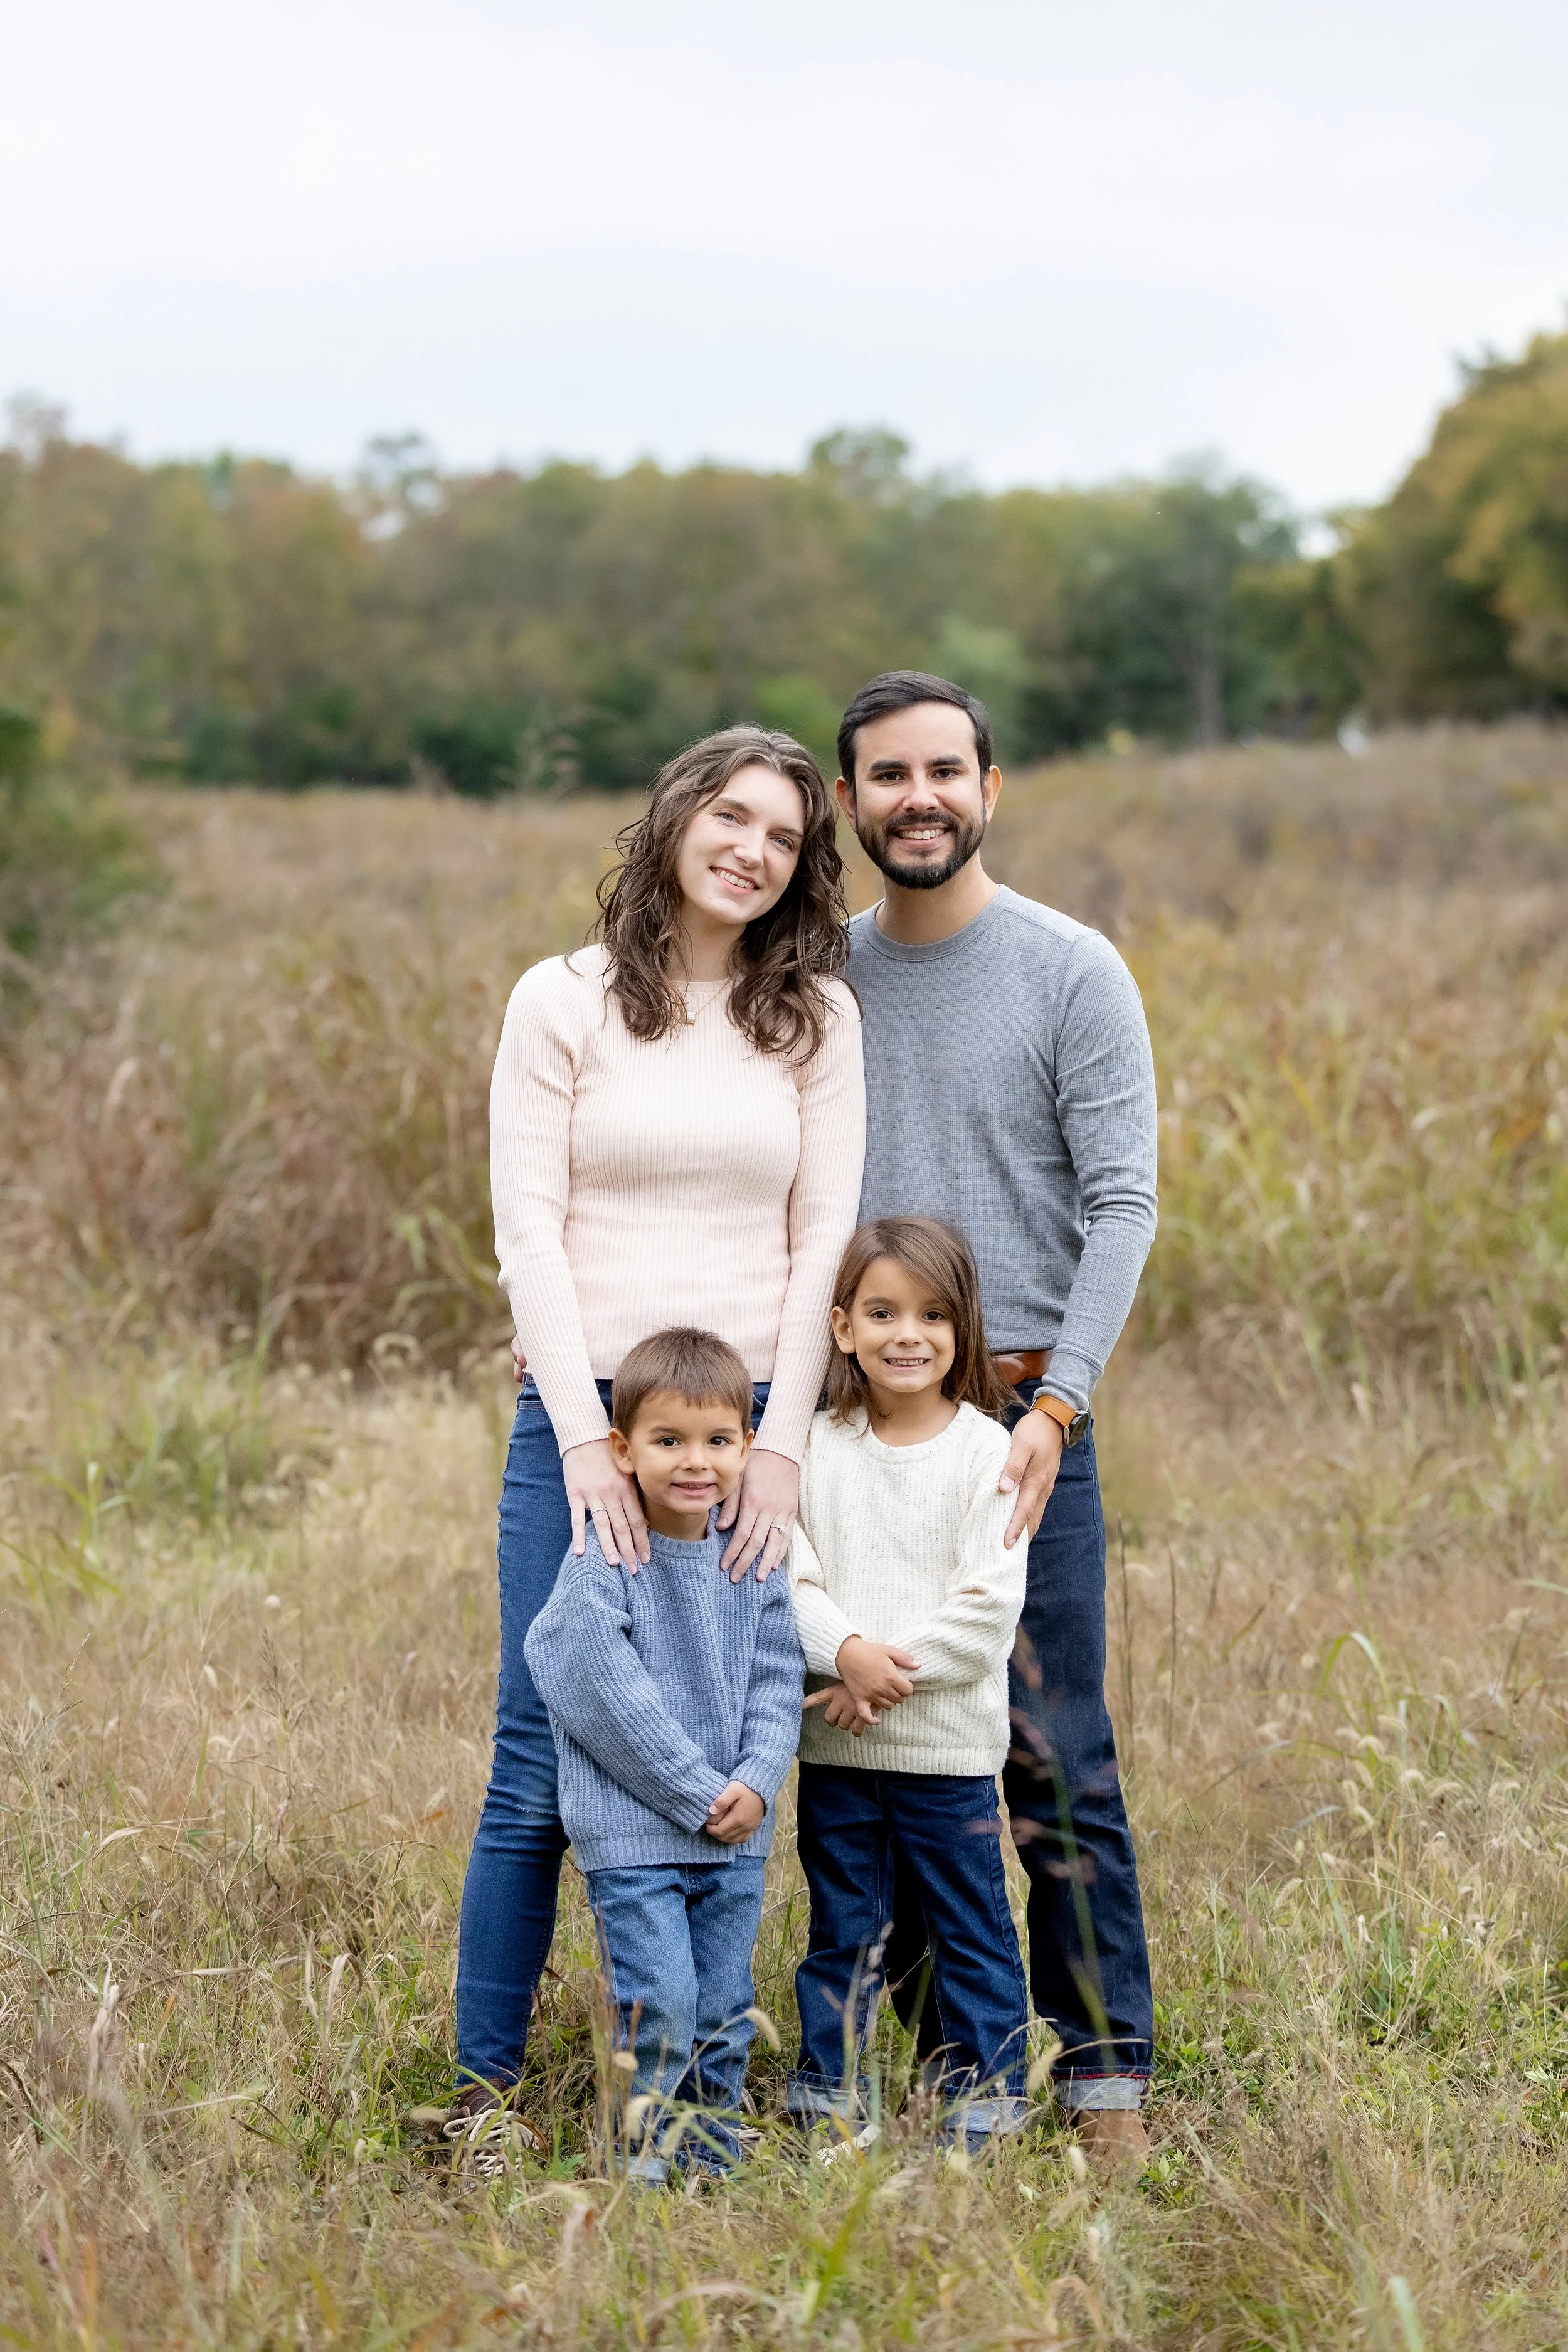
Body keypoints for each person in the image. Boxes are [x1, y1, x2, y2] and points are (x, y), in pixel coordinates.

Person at [452, 724, 864, 2169]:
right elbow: (529, 1229)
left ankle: (695, 2098)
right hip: (586, 1419)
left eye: (785, 838)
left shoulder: (810, 1013)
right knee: (532, 1756)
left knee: (738, 1723)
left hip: (743, 1423)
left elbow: (822, 1238)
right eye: (731, 816)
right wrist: (577, 1439)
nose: (751, 850)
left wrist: (782, 1446)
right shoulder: (559, 1002)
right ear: (678, 812)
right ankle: (485, 2096)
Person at [834, 671, 1159, 2180]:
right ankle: (936, 2074)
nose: (919, 797)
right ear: (846, 803)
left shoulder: (1070, 971)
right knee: (879, 1743)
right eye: (886, 774)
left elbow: (1121, 1207)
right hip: (854, 1428)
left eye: (943, 771)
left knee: (1049, 1755)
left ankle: (1103, 2086)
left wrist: (1058, 1405)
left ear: (988, 786)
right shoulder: (815, 985)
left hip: (1025, 1421)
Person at [524, 1328, 803, 2186]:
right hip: (637, 1833)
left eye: (719, 1441)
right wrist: (696, 1789)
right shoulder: (603, 1556)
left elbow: (777, 1673)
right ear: (622, 1448)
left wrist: (757, 1781)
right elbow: (591, 1679)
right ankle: (641, 2165)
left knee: (723, 2008)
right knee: (663, 2006)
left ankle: (710, 2162)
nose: (697, 1462)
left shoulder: (751, 1553)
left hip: (734, 1831)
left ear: (747, 1447)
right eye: (668, 1440)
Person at [788, 1217, 1030, 2153]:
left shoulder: (986, 1453)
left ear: (963, 1329)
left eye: (933, 1314)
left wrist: (876, 1673)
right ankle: (831, 2097)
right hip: (840, 1753)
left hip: (948, 1755)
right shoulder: (813, 1446)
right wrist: (845, 1647)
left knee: (969, 1928)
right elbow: (787, 1575)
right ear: (842, 1325)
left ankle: (989, 2094)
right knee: (844, 1930)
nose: (908, 1334)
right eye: (883, 1311)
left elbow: (984, 1612)